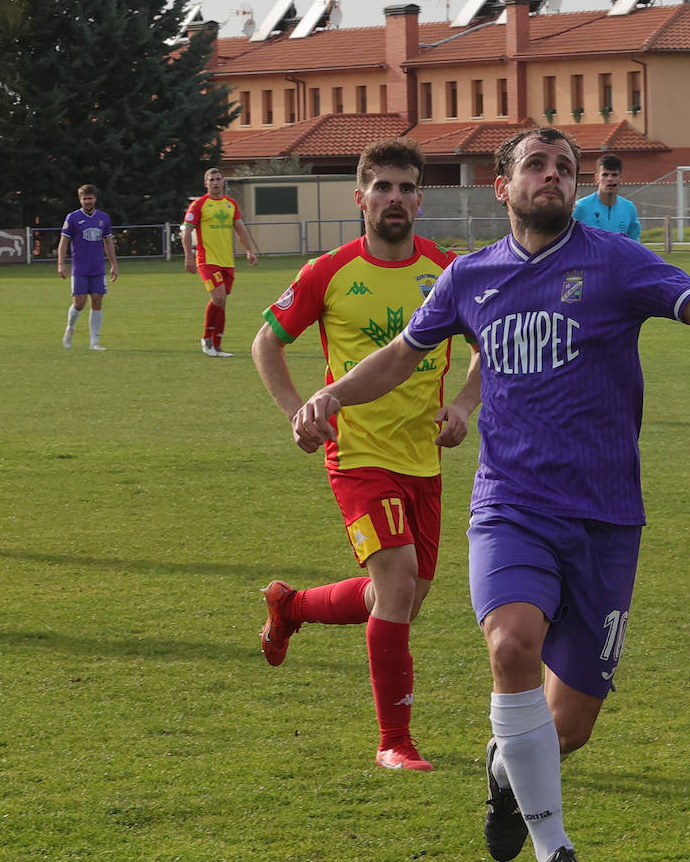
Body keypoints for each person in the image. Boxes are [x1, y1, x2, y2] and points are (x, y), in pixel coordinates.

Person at [289, 126, 690, 862]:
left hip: (609, 517)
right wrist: (332, 395)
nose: (552, 176)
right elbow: (402, 356)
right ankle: (558, 857)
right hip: (511, 505)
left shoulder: (614, 262)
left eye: (565, 168)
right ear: (502, 184)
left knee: (571, 723)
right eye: (536, 165)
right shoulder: (469, 279)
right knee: (511, 643)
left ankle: (502, 769)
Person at [253, 139, 481, 772]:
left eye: (407, 187)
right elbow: (265, 343)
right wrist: (300, 411)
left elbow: (488, 344)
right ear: (360, 197)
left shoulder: (448, 270)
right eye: (382, 187)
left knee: (404, 597)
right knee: (399, 582)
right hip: (356, 455)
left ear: (419, 198)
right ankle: (394, 741)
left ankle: (291, 606)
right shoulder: (328, 272)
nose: (396, 199)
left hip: (424, 459)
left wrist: (463, 404)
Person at [181, 167, 258, 357]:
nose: (215, 183)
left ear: (223, 181)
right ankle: (206, 338)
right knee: (218, 298)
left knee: (222, 302)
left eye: (218, 179)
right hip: (207, 260)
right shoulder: (199, 205)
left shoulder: (231, 204)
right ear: (206, 184)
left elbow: (240, 230)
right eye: (212, 180)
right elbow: (187, 231)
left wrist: (249, 251)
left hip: (227, 261)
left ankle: (217, 345)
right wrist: (188, 257)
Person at [57, 183, 118, 350]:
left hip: (97, 267)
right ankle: (70, 328)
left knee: (97, 301)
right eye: (85, 199)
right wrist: (61, 264)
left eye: (90, 198)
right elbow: (64, 242)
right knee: (79, 303)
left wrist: (114, 264)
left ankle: (94, 342)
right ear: (80, 199)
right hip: (80, 268)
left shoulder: (103, 218)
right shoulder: (73, 218)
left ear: (95, 199)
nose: (88, 201)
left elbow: (108, 242)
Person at [571, 154, 641, 238]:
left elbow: (634, 243)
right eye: (605, 175)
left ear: (620, 178)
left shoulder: (629, 208)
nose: (609, 179)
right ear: (597, 178)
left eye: (614, 175)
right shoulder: (580, 207)